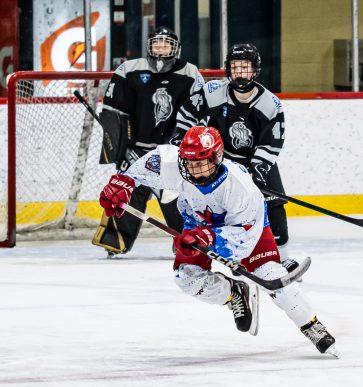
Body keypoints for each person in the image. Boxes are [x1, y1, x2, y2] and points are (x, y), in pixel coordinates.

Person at [98, 125, 339, 356]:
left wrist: (211, 238)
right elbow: (151, 162)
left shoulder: (240, 188)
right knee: (188, 279)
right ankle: (234, 292)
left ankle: (311, 326)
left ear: (216, 158)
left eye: (201, 163)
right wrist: (124, 182)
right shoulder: (176, 164)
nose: (195, 170)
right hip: (197, 223)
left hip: (246, 230)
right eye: (190, 163)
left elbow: (245, 237)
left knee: (271, 276)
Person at [171, 43, 298, 273]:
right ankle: (226, 247)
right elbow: (190, 111)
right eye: (235, 67)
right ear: (228, 69)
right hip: (222, 162)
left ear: (255, 70)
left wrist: (259, 167)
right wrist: (181, 134)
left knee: (274, 203)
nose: (240, 73)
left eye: (245, 68)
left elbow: (272, 141)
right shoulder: (213, 92)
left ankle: (282, 257)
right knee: (221, 205)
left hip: (257, 160)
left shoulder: (270, 103)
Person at [93, 26, 205, 256]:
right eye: (157, 44)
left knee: (176, 196)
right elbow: (114, 113)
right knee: (124, 192)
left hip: (172, 151)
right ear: (149, 46)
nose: (161, 49)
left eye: (166, 44)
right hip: (136, 149)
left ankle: (187, 242)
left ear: (176, 48)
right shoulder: (129, 70)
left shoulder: (190, 73)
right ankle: (113, 242)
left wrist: (181, 148)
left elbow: (197, 115)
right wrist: (120, 152)